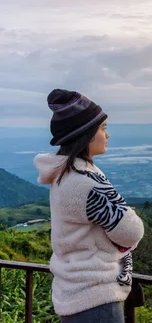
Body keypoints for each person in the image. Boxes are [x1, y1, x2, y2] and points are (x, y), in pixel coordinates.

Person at [34, 89, 145, 323]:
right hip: (96, 298)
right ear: (86, 134)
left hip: (76, 293)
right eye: (103, 128)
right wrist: (129, 213)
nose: (108, 135)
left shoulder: (65, 175)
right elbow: (131, 231)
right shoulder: (86, 182)